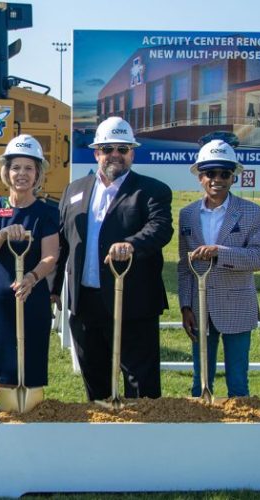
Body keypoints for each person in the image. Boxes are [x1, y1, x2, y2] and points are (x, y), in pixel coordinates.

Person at [52, 116, 173, 400]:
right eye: (108, 149)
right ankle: (101, 437)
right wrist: (52, 289)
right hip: (86, 304)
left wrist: (130, 245)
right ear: (96, 153)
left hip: (133, 301)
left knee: (140, 384)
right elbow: (62, 241)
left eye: (122, 148)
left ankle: (141, 441)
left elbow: (160, 228)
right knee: (95, 382)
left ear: (132, 152)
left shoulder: (152, 191)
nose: (115, 155)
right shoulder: (74, 190)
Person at [178, 140, 260, 398]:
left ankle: (240, 432)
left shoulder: (252, 213)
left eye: (224, 174)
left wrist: (221, 253)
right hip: (200, 309)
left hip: (237, 306)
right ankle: (199, 432)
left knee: (238, 384)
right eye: (210, 173)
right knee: (201, 384)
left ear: (233, 178)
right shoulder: (187, 215)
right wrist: (186, 306)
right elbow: (185, 267)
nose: (217, 179)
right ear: (200, 177)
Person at [0, 135, 59, 391]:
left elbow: (50, 256)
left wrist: (32, 278)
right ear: (6, 172)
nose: (21, 174)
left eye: (28, 168)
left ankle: (32, 421)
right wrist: (4, 233)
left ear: (37, 174)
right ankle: (8, 420)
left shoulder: (46, 212)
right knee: (5, 371)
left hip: (32, 296)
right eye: (15, 168)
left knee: (31, 367)